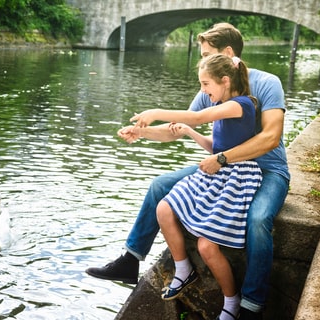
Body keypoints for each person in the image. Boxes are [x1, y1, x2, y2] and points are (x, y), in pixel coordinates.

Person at [85, 23, 290, 320]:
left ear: (227, 55)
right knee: (160, 186)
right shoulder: (212, 88)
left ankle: (251, 305)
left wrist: (222, 158)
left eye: (207, 54)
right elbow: (180, 128)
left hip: (267, 169)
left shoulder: (266, 83)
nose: (202, 60)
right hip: (225, 167)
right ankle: (131, 260)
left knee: (258, 219)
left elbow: (270, 138)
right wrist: (142, 133)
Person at [132, 53, 262, 320]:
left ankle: (232, 301)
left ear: (225, 80)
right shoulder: (225, 105)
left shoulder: (241, 105)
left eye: (206, 84)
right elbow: (217, 147)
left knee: (206, 246)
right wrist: (188, 133)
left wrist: (155, 112)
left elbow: (200, 116)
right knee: (165, 208)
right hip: (215, 170)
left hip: (236, 178)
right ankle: (183, 270)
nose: (203, 90)